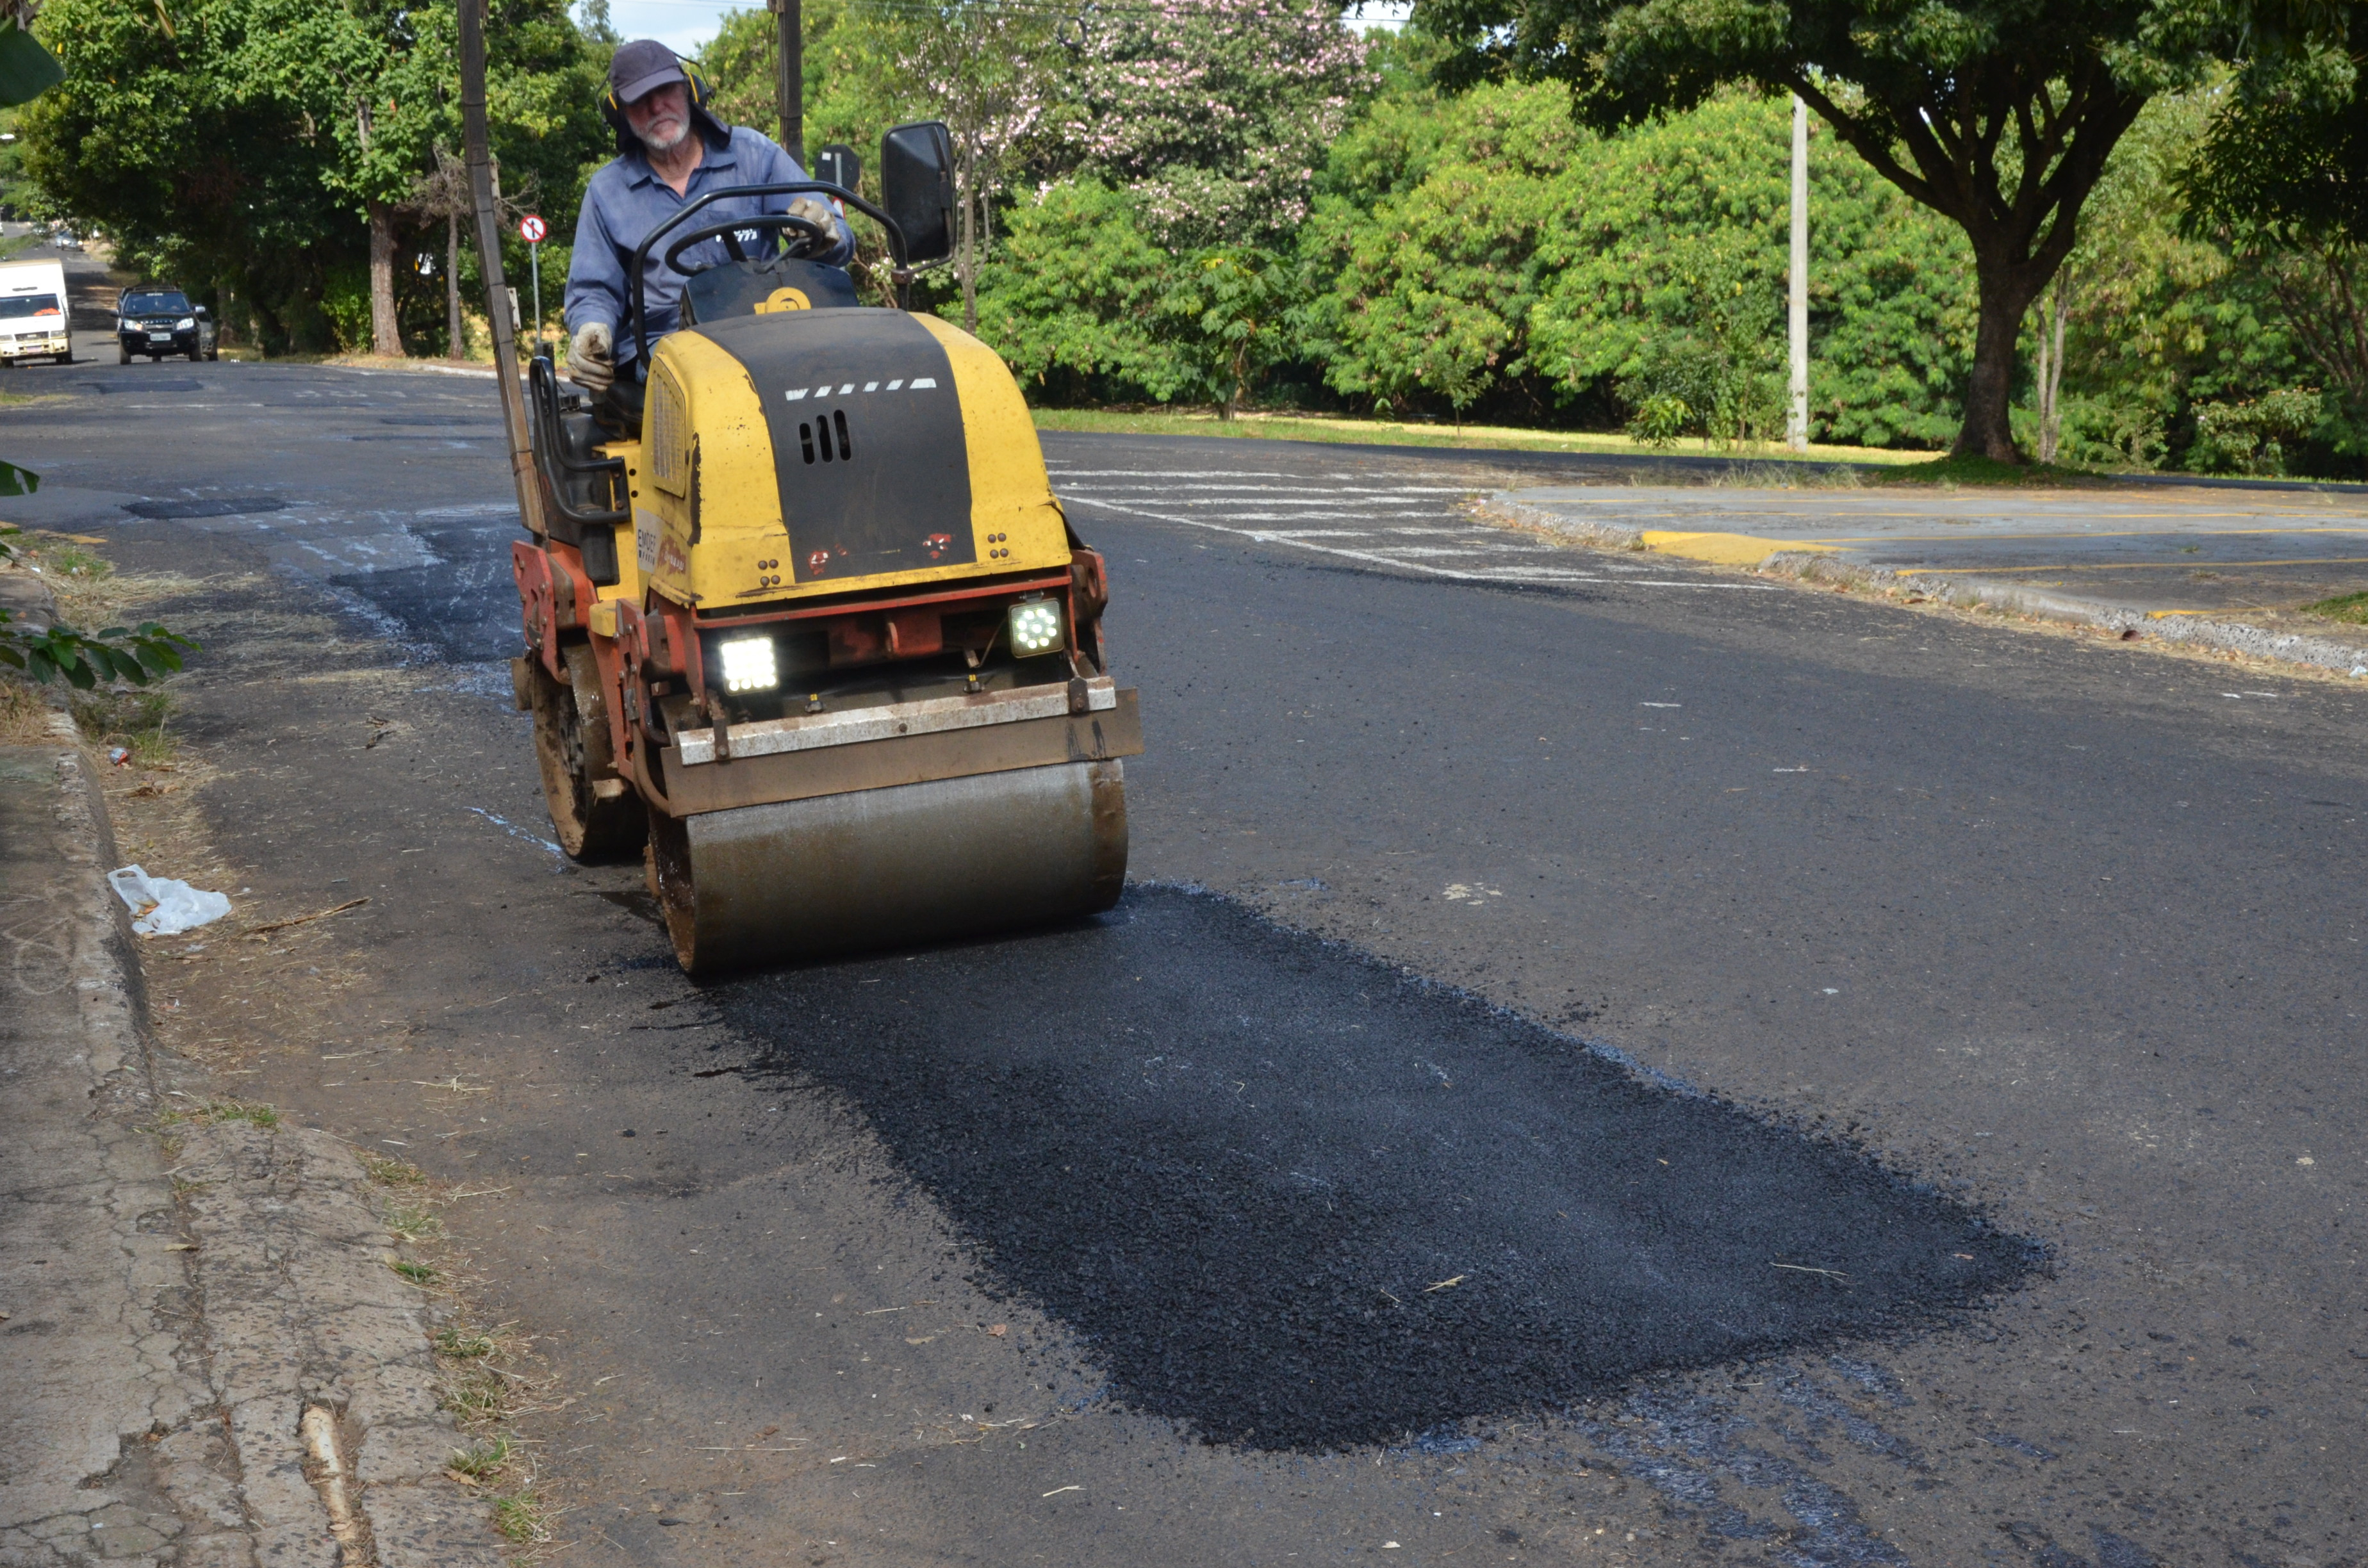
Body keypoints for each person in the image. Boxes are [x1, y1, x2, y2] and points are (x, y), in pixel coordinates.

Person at [563, 39, 852, 426]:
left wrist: (823, 230)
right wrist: (592, 329)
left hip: (765, 334)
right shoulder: (607, 191)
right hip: (666, 354)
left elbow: (837, 240)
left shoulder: (754, 155)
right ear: (621, 115)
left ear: (690, 90)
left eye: (665, 90)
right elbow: (593, 290)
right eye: (639, 100)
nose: (656, 107)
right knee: (713, 403)